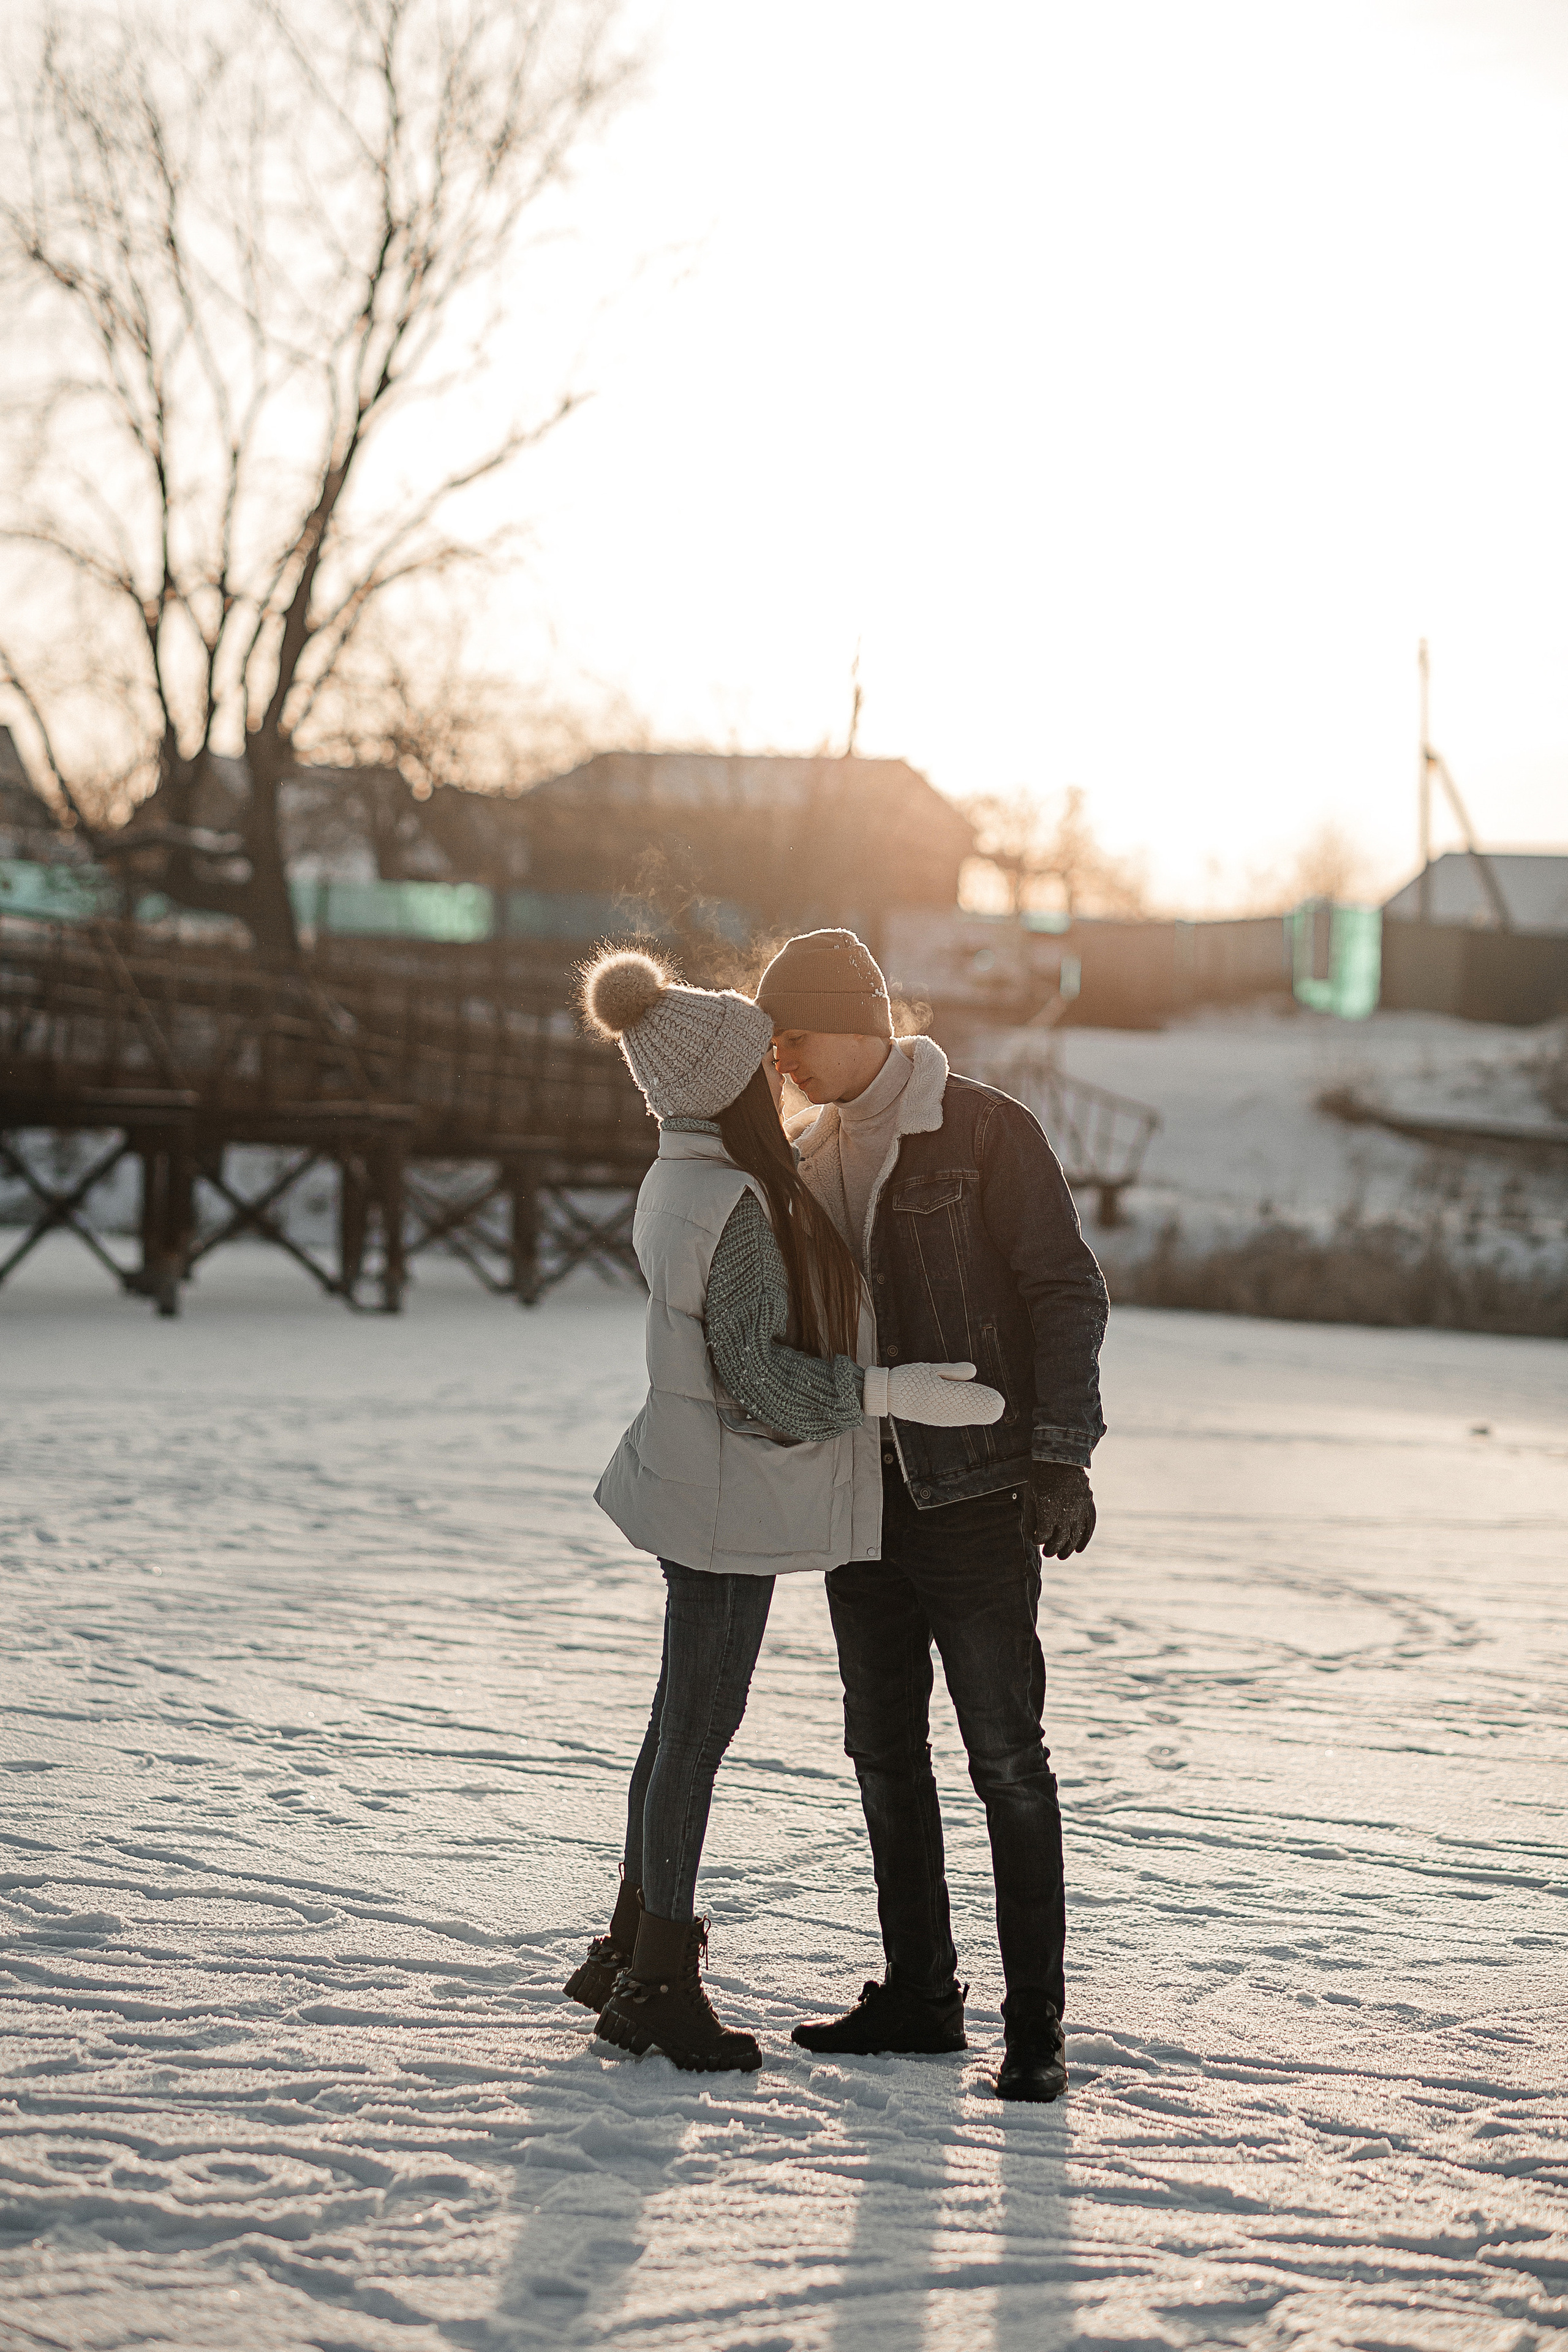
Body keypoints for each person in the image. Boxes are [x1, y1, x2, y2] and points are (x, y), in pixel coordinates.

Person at [562, 948, 1005, 2075]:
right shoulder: (741, 1198)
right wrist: (888, 1394)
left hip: (688, 1480)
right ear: (724, 1081)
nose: (780, 1074)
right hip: (728, 1499)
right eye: (759, 1061)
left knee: (674, 1724)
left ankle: (626, 1948)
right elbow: (760, 1382)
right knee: (697, 1734)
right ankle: (659, 1980)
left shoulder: (675, 1176)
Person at [755, 928, 1108, 2103]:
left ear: (854, 1020)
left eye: (793, 1035)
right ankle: (920, 1997)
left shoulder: (986, 1129)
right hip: (859, 1503)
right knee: (882, 1757)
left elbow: (1066, 1288)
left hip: (977, 1497)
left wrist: (1062, 1456)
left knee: (1007, 1760)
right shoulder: (801, 1151)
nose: (784, 1059)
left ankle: (1036, 2030)